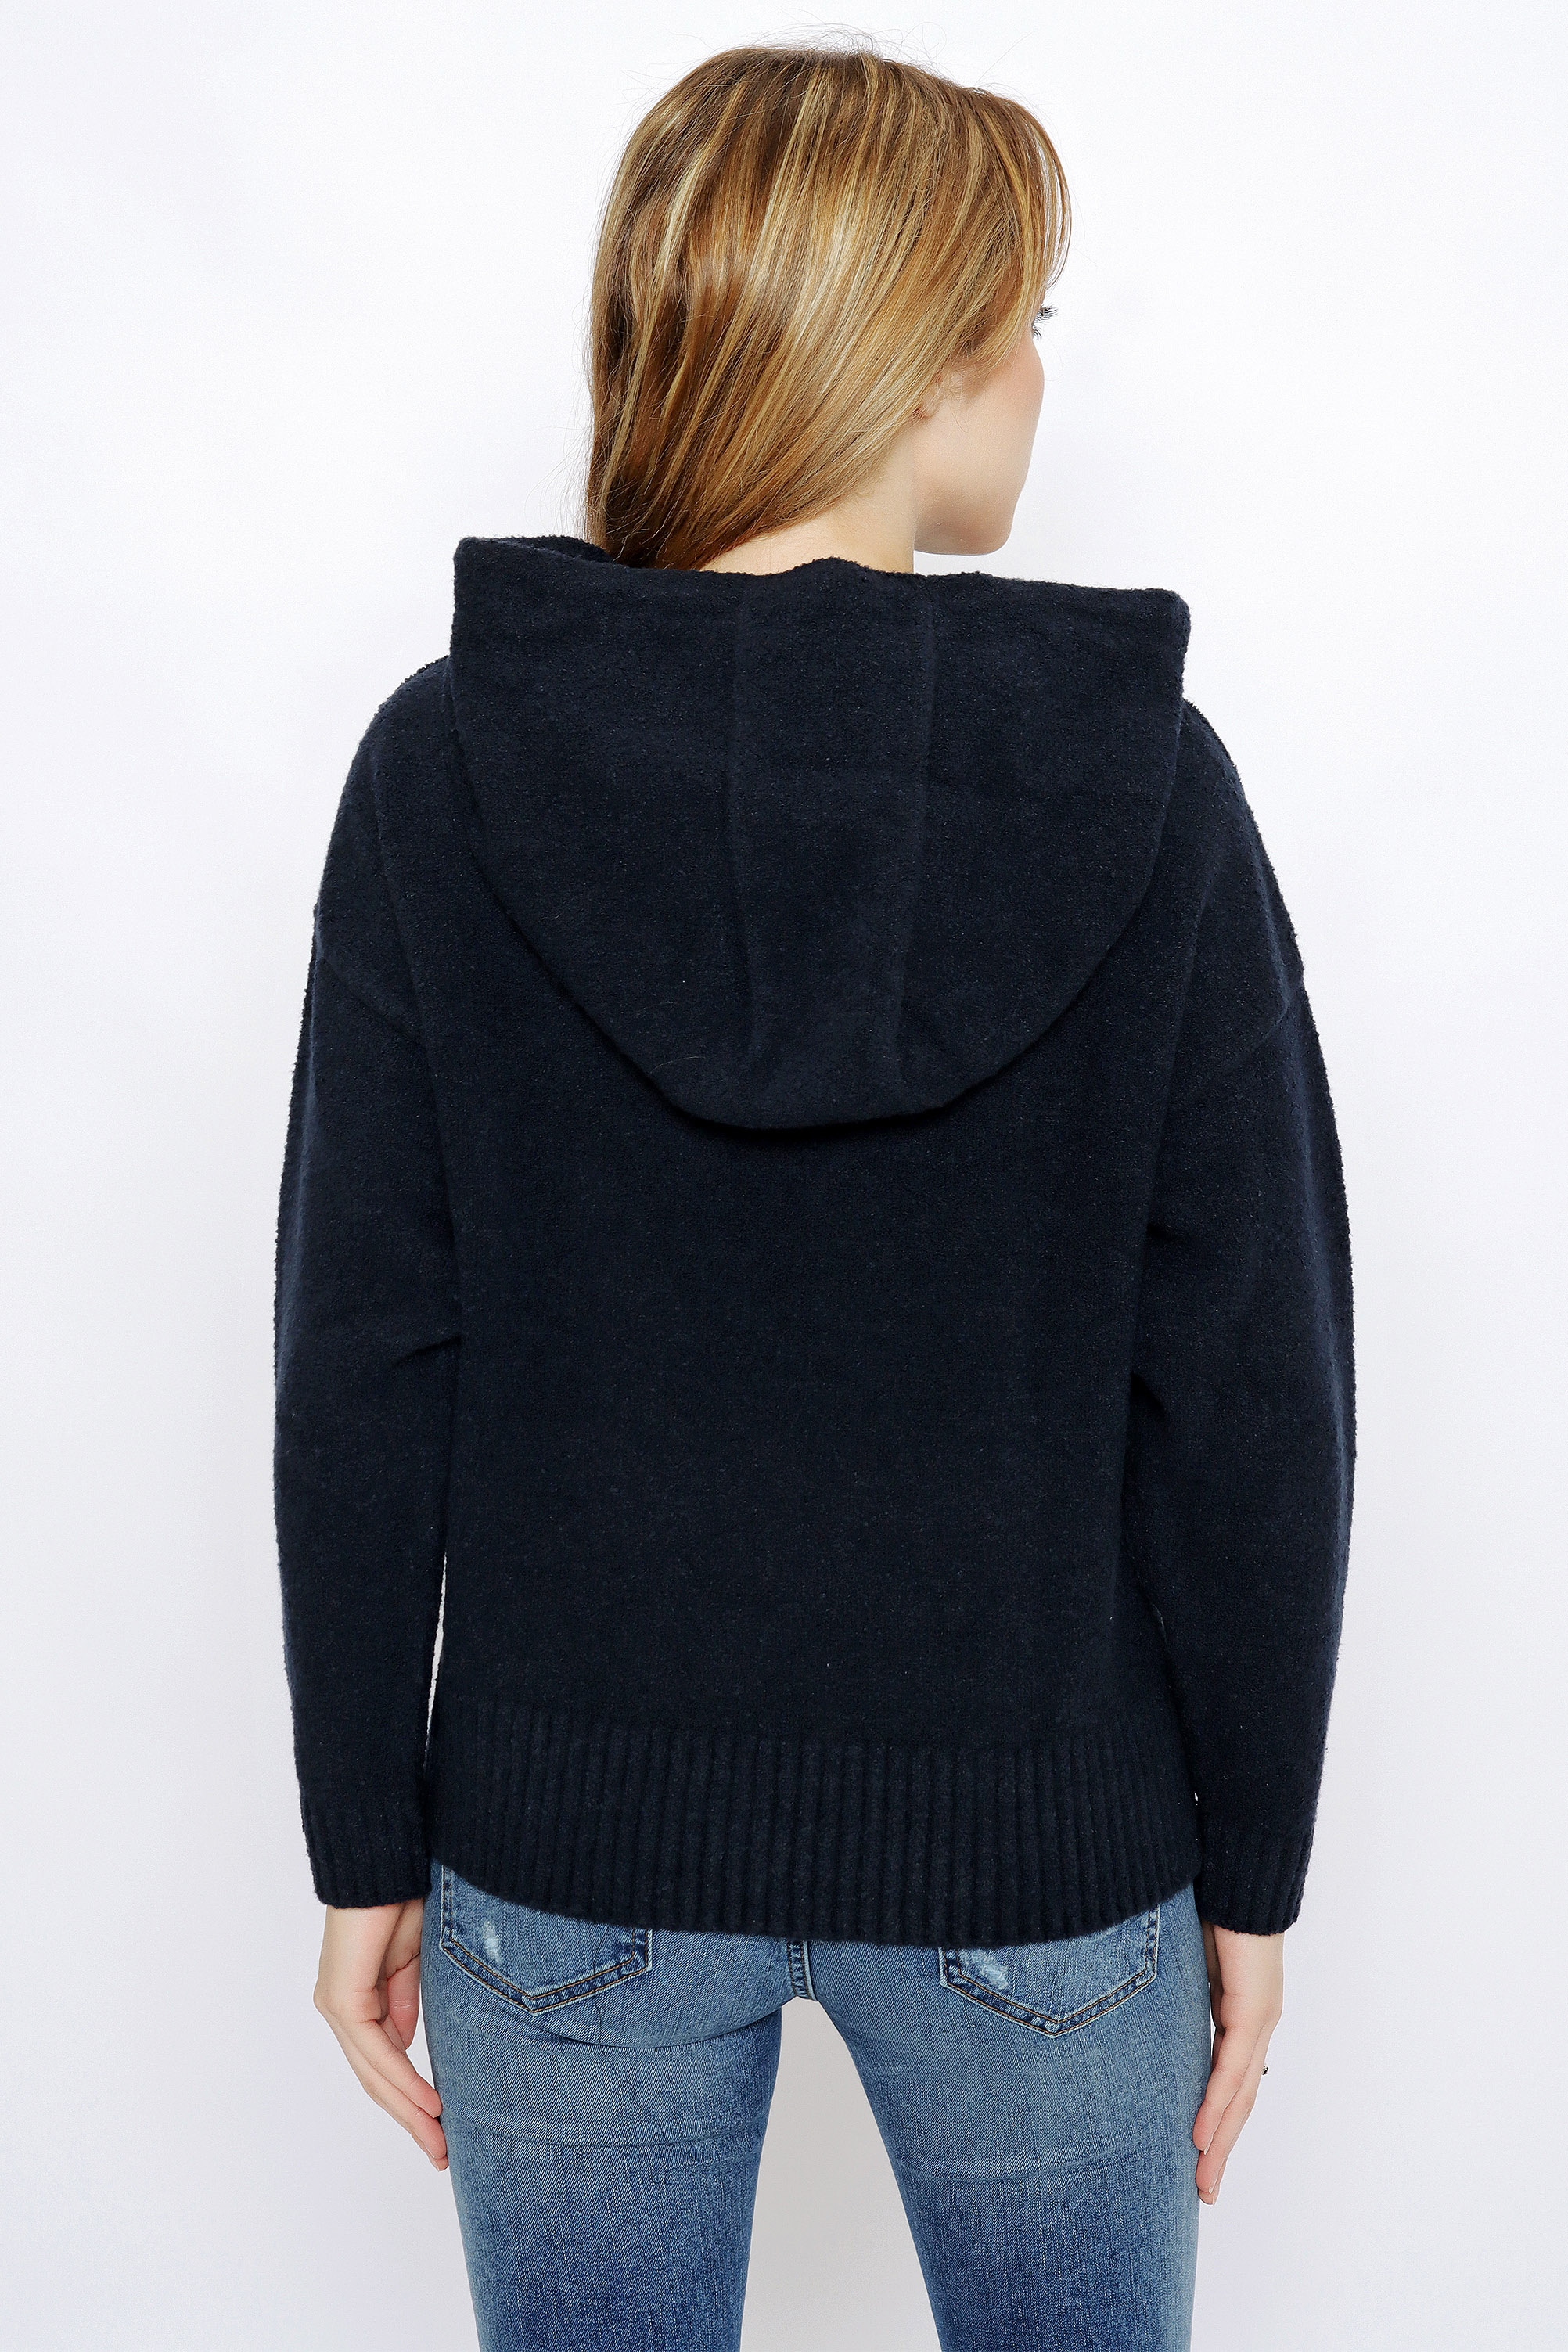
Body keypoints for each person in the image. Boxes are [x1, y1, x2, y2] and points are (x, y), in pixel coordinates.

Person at [274, 40, 1354, 2352]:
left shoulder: (444, 767)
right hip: (1046, 1866)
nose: (1039, 377)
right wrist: (1251, 1867)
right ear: (919, 358)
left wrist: (363, 1827)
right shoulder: (1147, 786)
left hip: (562, 1861)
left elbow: (360, 1352)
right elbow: (1254, 1377)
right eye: (1023, 323)